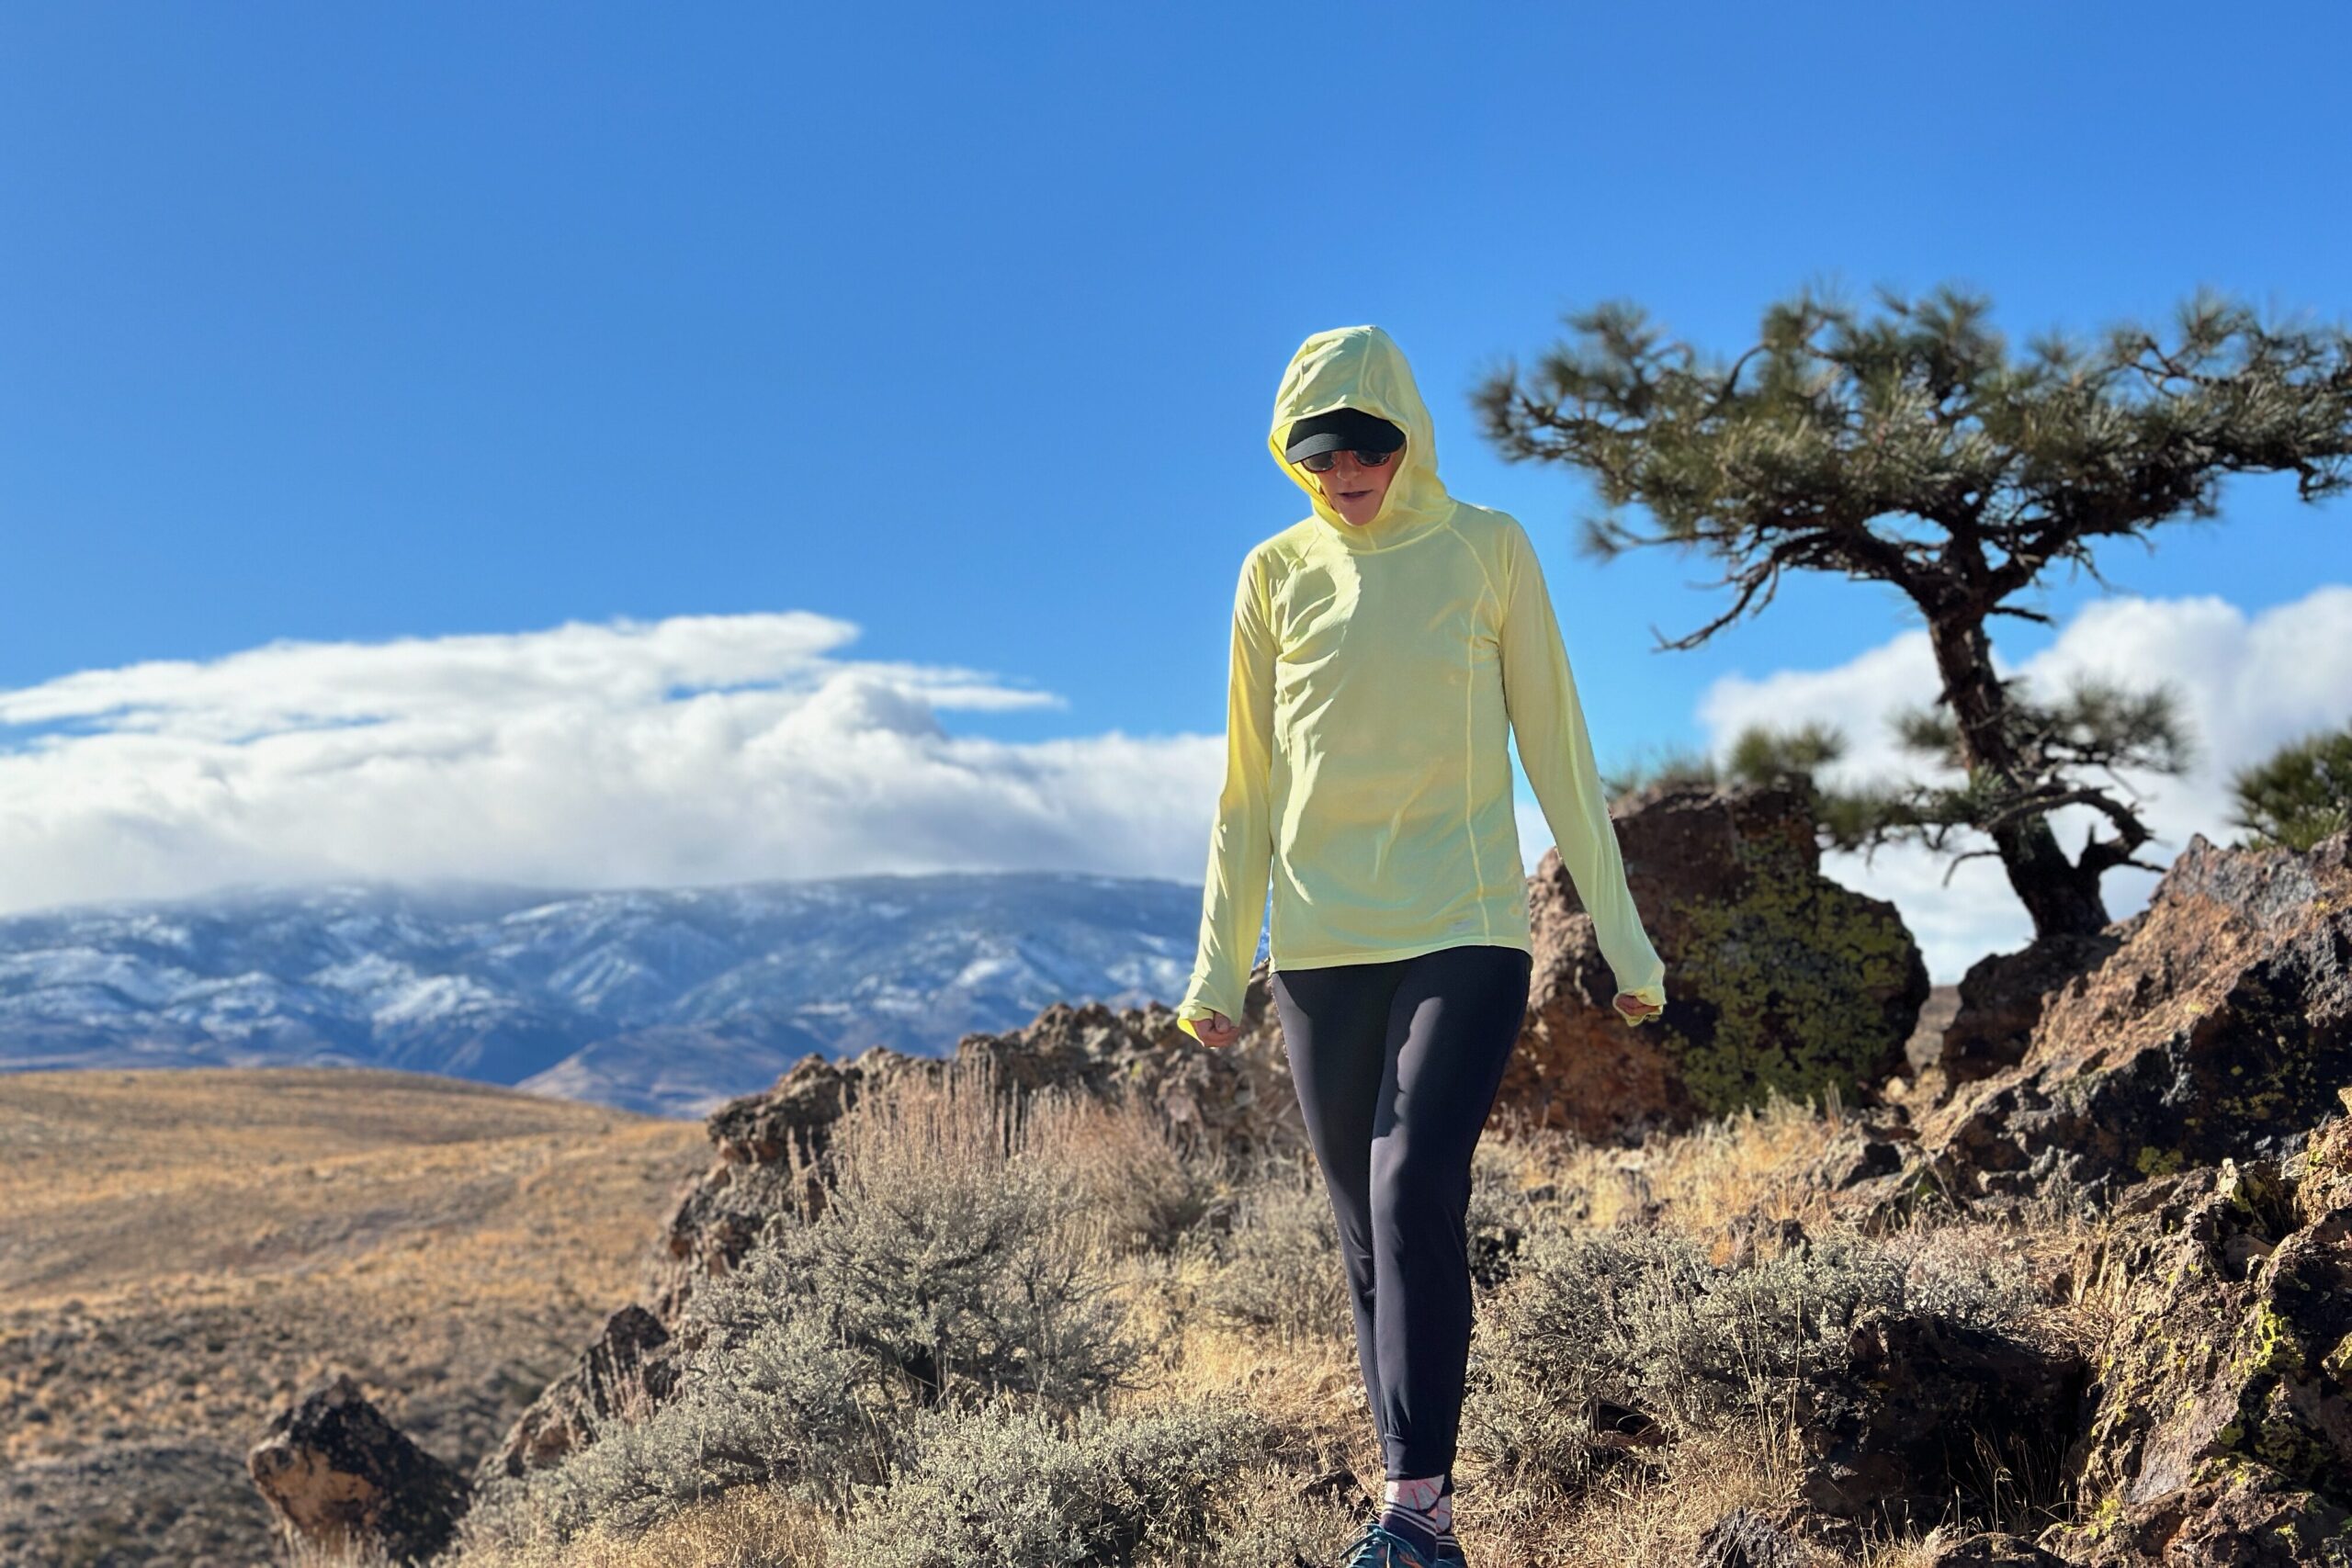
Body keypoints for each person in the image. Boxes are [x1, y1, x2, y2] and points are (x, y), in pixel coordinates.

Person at [1174, 324, 1668, 1568]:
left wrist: (1625, 938)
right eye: (1319, 449)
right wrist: (1219, 958)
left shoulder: (1486, 550)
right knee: (1363, 1236)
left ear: (1409, 435)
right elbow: (1245, 786)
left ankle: (1416, 1517)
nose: (1346, 467)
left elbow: (1557, 744)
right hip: (1322, 944)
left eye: (1370, 443)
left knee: (1409, 1188)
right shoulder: (1273, 574)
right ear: (1291, 453)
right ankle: (1416, 1513)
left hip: (1464, 926)